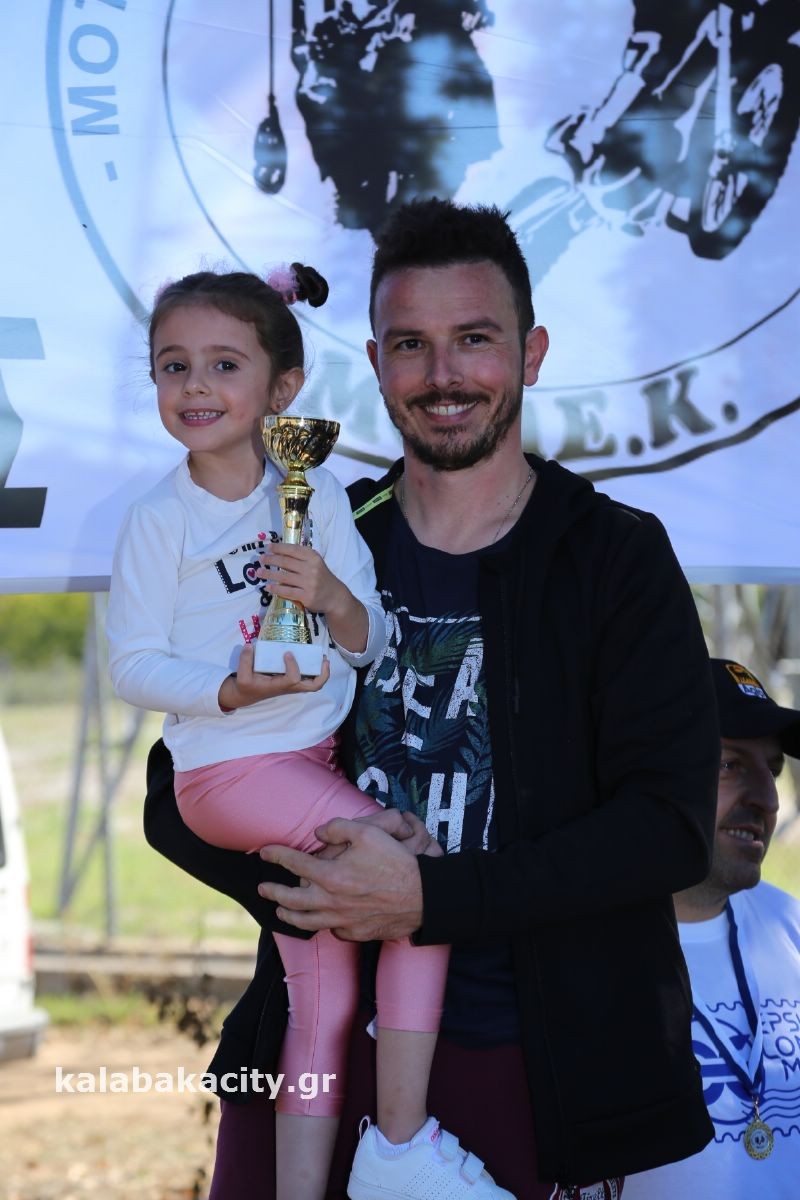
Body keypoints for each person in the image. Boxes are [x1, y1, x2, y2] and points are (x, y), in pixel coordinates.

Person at [141, 199, 721, 1199]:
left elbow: (667, 830)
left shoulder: (613, 557)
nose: (443, 374)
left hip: (528, 1065)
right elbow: (175, 787)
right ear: (376, 364)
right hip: (311, 1053)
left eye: (475, 340)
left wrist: (431, 899)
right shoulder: (311, 528)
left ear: (531, 353)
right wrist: (318, 887)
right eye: (411, 344)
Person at [106, 265, 516, 1200]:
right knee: (416, 886)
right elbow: (130, 665)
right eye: (174, 366)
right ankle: (401, 1148)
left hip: (309, 763)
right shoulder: (158, 518)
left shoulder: (318, 494)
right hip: (226, 774)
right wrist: (228, 689)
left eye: (224, 364)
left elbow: (371, 641)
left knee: (323, 1001)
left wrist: (330, 595)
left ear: (282, 388)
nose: (196, 386)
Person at [624, 657, 800, 1199]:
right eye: (729, 764)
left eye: (773, 770)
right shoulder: (582, 945)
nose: (768, 799)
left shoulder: (789, 925)